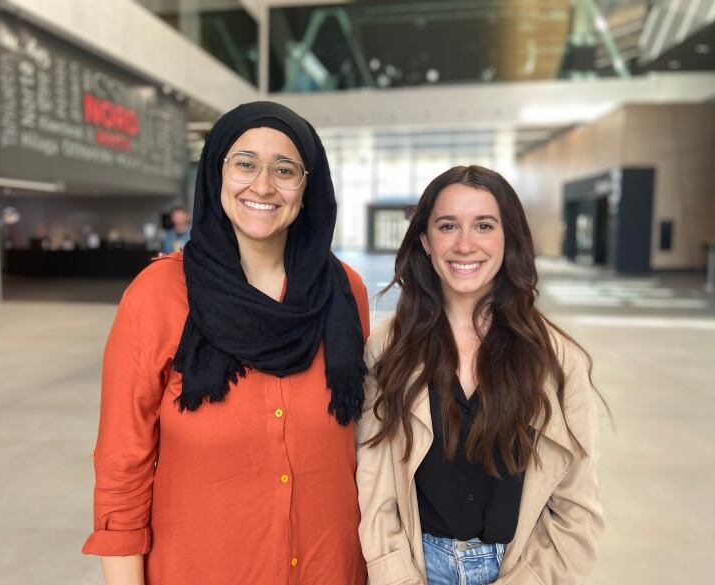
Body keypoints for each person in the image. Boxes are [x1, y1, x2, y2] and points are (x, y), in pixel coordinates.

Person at [82, 101, 370, 585]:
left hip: (328, 568)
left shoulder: (345, 293)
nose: (262, 185)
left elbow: (364, 446)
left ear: (308, 185)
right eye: (245, 163)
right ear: (216, 173)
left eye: (285, 169)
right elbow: (121, 464)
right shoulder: (157, 296)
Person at [356, 165, 603, 585]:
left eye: (484, 226)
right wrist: (396, 575)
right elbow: (375, 487)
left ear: (508, 240)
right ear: (425, 242)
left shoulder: (557, 361)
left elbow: (577, 506)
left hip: (522, 565)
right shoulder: (387, 349)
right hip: (418, 563)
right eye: (448, 225)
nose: (465, 244)